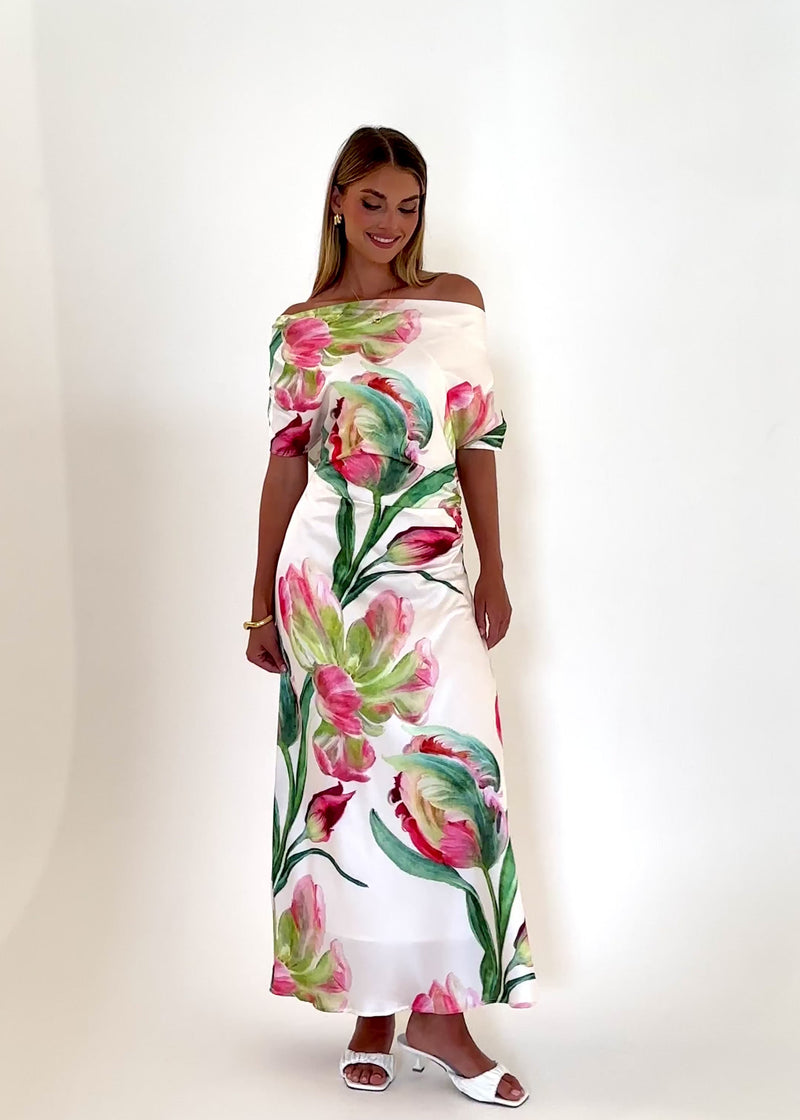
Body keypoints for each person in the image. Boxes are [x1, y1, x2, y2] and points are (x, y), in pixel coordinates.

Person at [245, 125, 536, 1107]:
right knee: (349, 797)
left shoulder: (455, 304)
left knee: (456, 774)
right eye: (372, 202)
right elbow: (286, 466)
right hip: (329, 584)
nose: (390, 223)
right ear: (337, 200)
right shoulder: (301, 327)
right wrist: (258, 603)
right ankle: (373, 1004)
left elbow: (477, 441)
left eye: (407, 206)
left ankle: (441, 1016)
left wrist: (493, 568)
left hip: (433, 575)